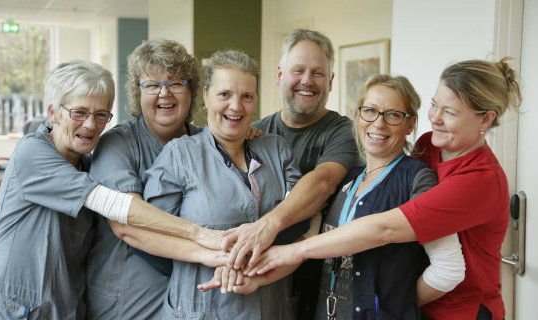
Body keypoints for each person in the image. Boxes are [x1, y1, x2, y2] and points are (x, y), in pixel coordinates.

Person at [249, 57, 522, 320]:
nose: (435, 118)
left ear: (485, 120)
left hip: (460, 309)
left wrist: (394, 303)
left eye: (449, 113)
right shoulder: (430, 145)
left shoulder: (480, 180)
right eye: (435, 105)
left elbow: (386, 228)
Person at [0, 59, 221, 320]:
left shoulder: (87, 164)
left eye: (101, 114)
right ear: (54, 112)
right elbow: (112, 204)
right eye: (79, 112)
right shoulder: (32, 153)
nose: (91, 125)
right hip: (11, 309)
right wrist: (199, 235)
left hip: (61, 308)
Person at [142, 50, 300, 319]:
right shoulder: (179, 155)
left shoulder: (277, 150)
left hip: (269, 304)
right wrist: (214, 259)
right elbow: (152, 235)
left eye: (246, 96)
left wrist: (245, 262)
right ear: (205, 95)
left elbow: (297, 221)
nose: (236, 106)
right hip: (199, 304)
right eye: (224, 94)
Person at [222, 29, 362, 318]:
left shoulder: (345, 132)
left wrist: (268, 225)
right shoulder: (255, 131)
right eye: (298, 70)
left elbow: (322, 182)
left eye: (318, 73)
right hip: (253, 283)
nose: (307, 81)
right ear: (279, 75)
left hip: (319, 286)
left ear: (331, 82)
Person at [85, 39, 226, 319]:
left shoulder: (209, 143)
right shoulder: (118, 143)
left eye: (175, 83)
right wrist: (210, 245)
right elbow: (127, 225)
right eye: (152, 85)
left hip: (192, 298)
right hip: (127, 301)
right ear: (138, 94)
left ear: (192, 92)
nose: (165, 94)